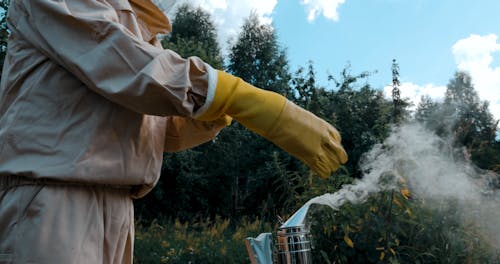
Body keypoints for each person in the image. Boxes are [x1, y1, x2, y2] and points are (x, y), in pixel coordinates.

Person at [0, 0, 347, 263]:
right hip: (53, 199)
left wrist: (220, 112)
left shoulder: (137, 25)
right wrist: (235, 95)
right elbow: (131, 65)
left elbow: (157, 130)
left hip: (118, 206)